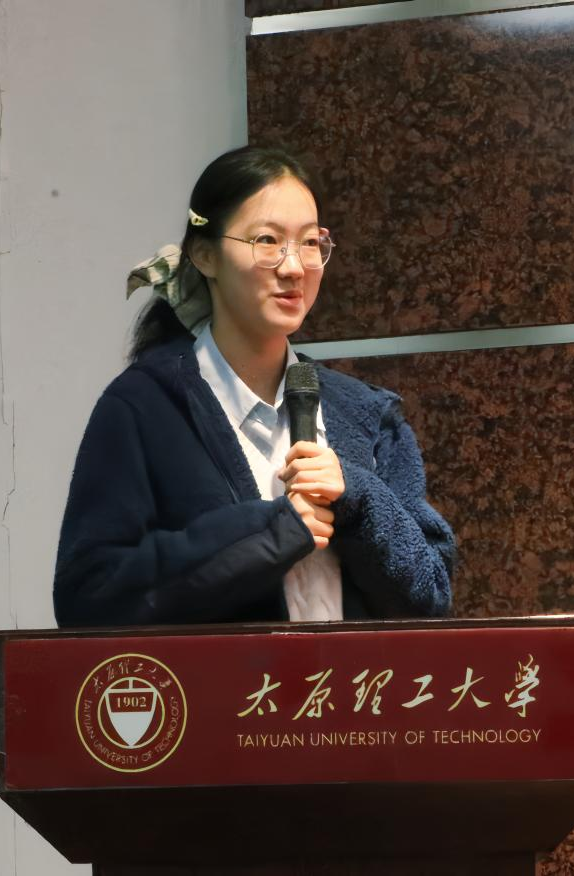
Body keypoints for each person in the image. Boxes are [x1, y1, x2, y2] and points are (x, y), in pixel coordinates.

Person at [54, 145, 455, 627]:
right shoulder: (144, 409)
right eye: (267, 240)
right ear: (205, 255)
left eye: (310, 243)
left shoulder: (367, 415)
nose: (294, 267)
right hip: (227, 681)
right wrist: (271, 533)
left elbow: (431, 597)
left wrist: (359, 497)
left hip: (354, 679)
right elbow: (90, 597)